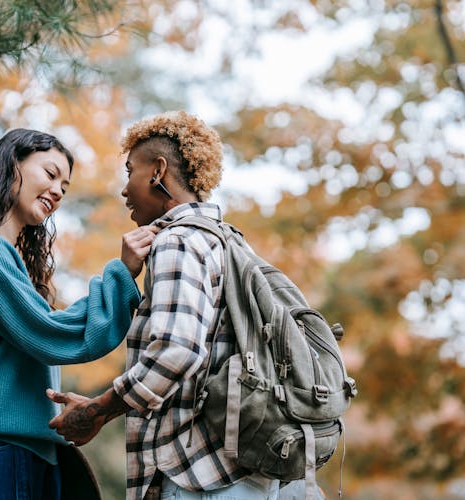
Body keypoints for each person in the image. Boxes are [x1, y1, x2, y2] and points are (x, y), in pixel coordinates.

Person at [47, 111, 287, 499]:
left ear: (158, 170)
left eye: (130, 172)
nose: (124, 189)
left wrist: (97, 410)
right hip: (241, 474)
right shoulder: (228, 242)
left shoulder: (178, 241)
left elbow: (177, 350)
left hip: (197, 479)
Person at [0, 128, 156, 500]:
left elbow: (49, 327)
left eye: (65, 185)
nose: (59, 190)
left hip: (19, 454)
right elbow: (51, 334)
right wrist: (121, 274)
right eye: (50, 174)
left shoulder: (3, 258)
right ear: (10, 166)